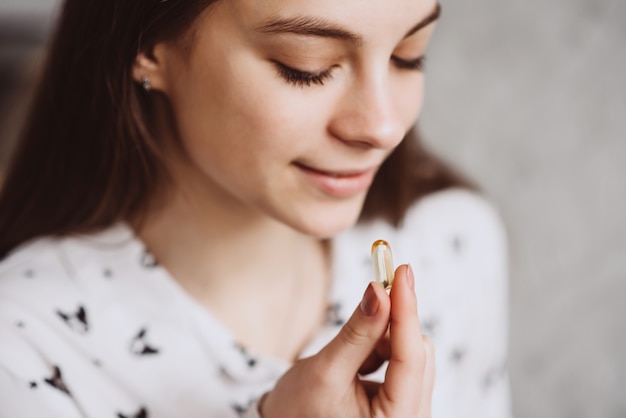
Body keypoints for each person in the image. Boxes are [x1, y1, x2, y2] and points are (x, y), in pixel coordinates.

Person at [0, 0, 512, 416]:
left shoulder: (453, 244)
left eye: (408, 54)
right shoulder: (25, 348)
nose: (381, 127)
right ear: (148, 47)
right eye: (305, 68)